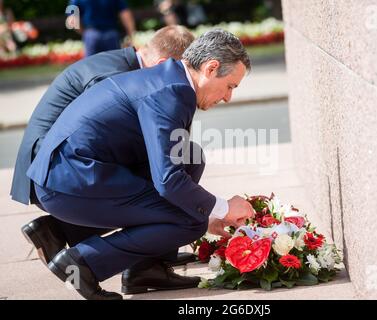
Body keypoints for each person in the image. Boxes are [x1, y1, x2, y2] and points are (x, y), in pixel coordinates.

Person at [26, 29, 254, 300]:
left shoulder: (170, 78)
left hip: (84, 172)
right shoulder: (172, 92)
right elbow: (168, 181)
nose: (228, 97)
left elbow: (168, 164)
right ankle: (82, 263)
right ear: (211, 67)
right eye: (230, 86)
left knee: (189, 158)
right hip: (69, 181)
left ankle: (144, 270)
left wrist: (208, 210)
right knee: (190, 221)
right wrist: (223, 208)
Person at [11, 26, 198, 298]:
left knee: (185, 160)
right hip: (54, 172)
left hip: (71, 165)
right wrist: (202, 210)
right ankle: (118, 257)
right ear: (163, 64)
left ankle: (144, 260)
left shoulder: (122, 64)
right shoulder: (115, 75)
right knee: (170, 191)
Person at [68, 0, 136, 56]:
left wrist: (84, 33)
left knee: (91, 67)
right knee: (114, 65)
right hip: (111, 34)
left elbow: (72, 19)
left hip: (91, 35)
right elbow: (125, 14)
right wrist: (131, 34)